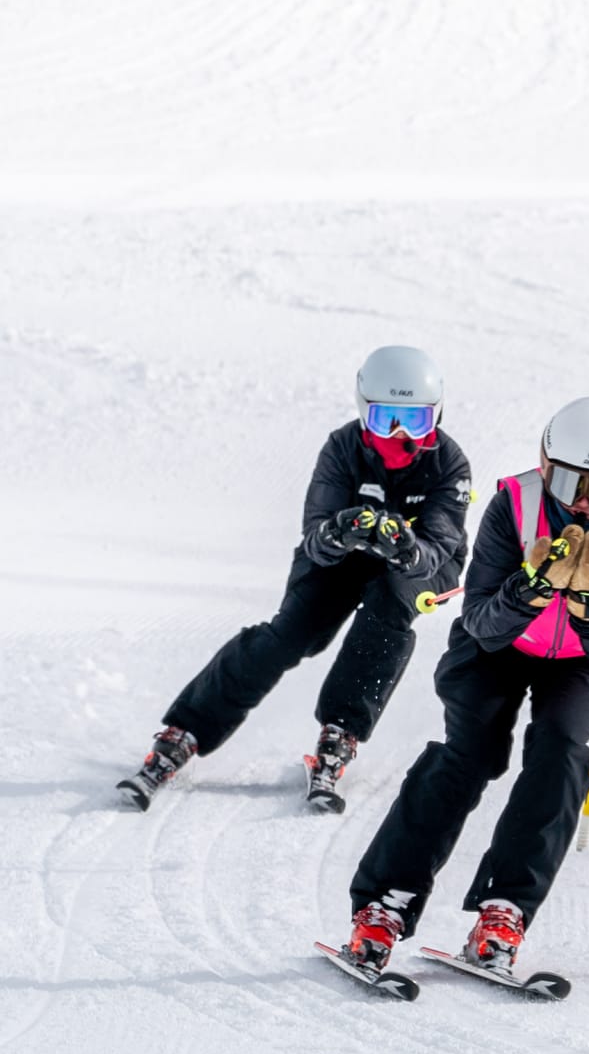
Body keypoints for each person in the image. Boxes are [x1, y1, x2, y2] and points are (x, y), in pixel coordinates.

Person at [339, 396, 589, 975]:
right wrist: (530, 591)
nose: (584, 503)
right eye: (569, 481)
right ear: (544, 466)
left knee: (562, 753)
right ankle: (384, 906)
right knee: (471, 753)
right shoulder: (513, 505)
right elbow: (482, 622)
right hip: (496, 649)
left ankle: (504, 910)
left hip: (581, 662)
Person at [117, 346, 473, 813]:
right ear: (365, 410)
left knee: (389, 610)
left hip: (418, 564)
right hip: (344, 554)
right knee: (293, 634)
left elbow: (441, 547)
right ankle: (185, 730)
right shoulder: (343, 448)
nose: (401, 435)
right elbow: (314, 536)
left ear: (437, 417)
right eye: (387, 420)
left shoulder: (449, 464)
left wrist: (405, 546)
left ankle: (341, 732)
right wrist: (339, 531)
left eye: (416, 422)